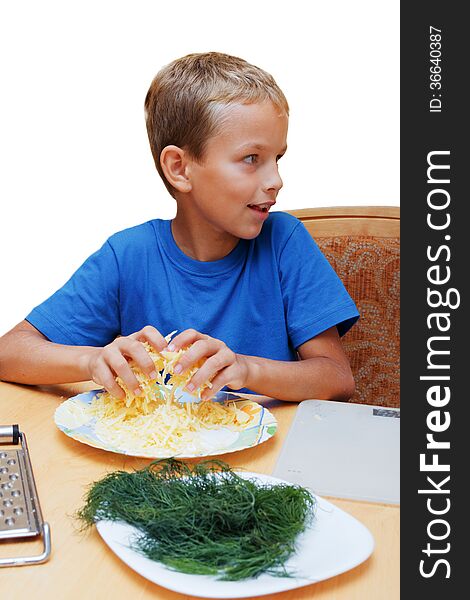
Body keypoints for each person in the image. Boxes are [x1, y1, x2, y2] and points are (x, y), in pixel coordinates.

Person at [0, 52, 359, 402]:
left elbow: (337, 378)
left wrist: (247, 370)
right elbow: (10, 351)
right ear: (179, 168)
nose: (276, 180)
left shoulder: (284, 242)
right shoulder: (128, 256)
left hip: (265, 459)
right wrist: (91, 360)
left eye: (277, 158)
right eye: (252, 159)